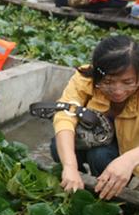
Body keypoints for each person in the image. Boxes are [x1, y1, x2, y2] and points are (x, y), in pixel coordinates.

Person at [51, 36, 139, 200]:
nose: (118, 91)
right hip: (97, 138)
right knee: (59, 145)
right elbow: (65, 114)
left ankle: (111, 195)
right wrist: (70, 167)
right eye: (108, 81)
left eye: (127, 82)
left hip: (130, 149)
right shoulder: (86, 78)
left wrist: (129, 159)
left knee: (100, 156)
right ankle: (77, 188)